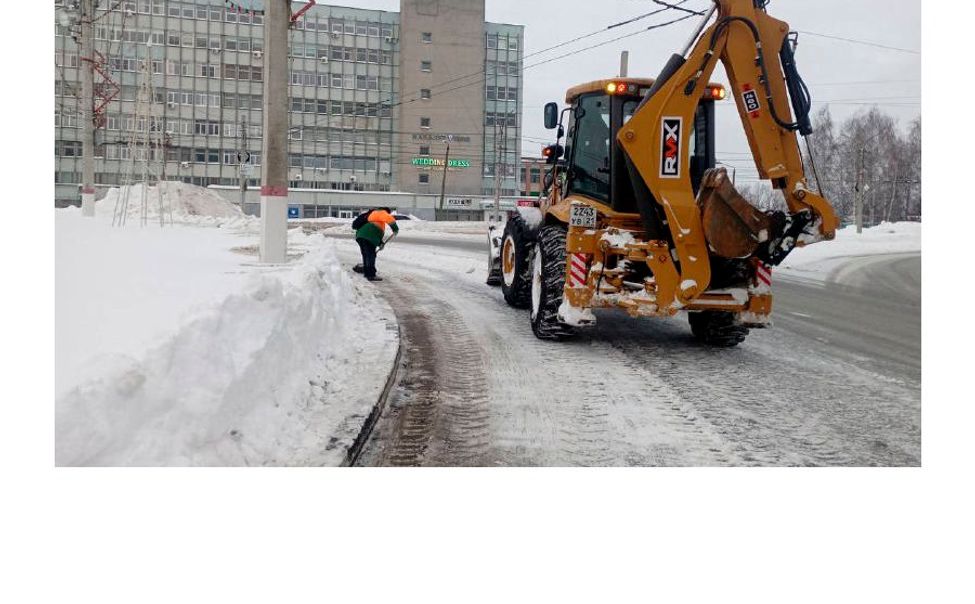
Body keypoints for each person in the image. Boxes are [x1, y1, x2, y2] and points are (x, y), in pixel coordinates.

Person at [352, 207, 398, 281]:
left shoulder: (374, 217)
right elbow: (389, 219)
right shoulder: (382, 212)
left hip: (360, 235)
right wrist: (395, 228)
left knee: (366, 254)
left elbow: (375, 235)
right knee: (371, 255)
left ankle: (367, 271)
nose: (388, 214)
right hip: (368, 235)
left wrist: (380, 243)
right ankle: (370, 275)